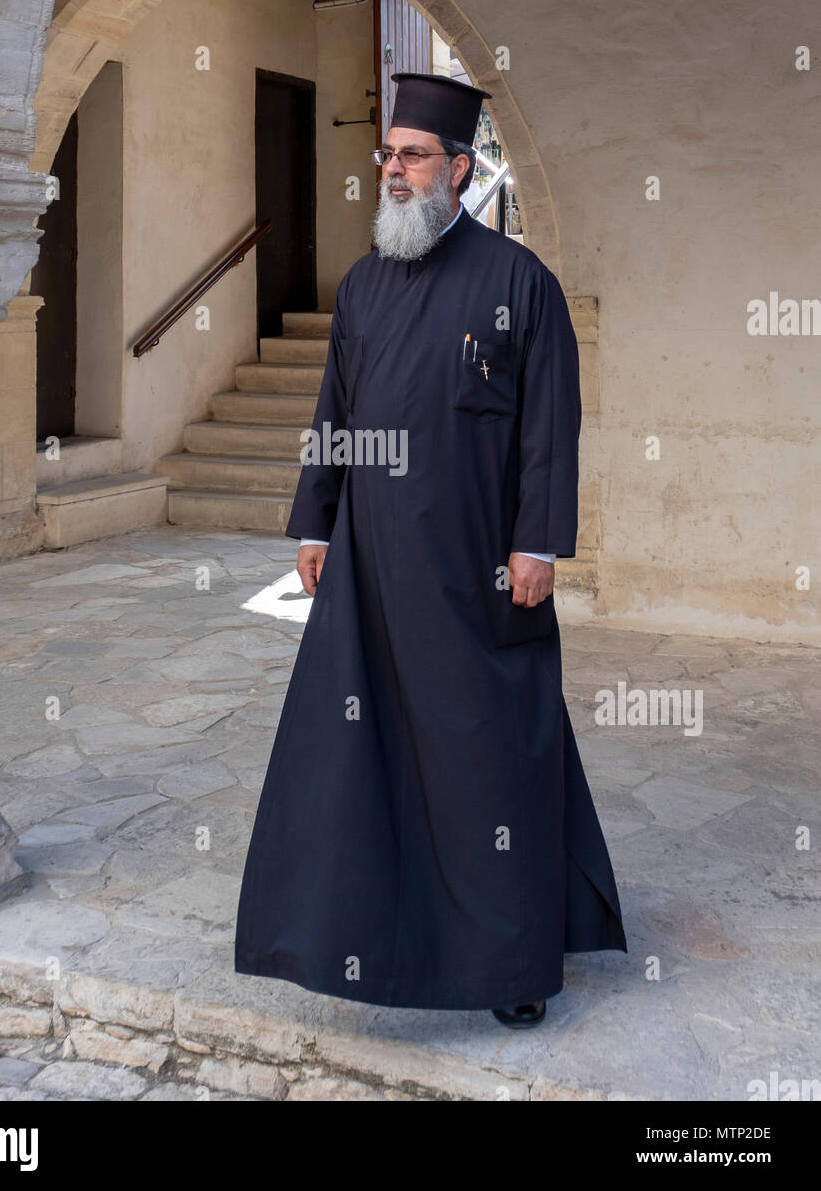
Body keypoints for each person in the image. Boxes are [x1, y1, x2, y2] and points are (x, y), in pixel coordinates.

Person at [234, 72, 626, 1025]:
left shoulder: (517, 283)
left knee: (488, 758)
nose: (394, 171)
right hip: (371, 568)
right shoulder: (363, 285)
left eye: (413, 156)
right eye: (387, 155)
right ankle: (355, 939)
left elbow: (549, 428)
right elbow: (336, 414)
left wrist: (539, 543)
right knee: (355, 757)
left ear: (460, 168)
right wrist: (316, 521)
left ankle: (508, 966)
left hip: (479, 571)